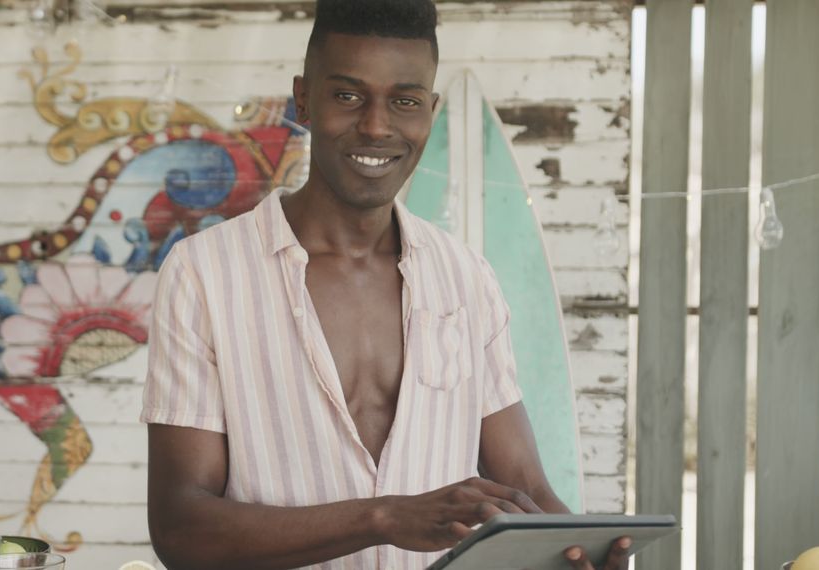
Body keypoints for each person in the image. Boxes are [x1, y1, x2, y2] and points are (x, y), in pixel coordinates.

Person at [141, 0, 631, 568]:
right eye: (348, 95)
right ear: (303, 99)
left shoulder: (467, 278)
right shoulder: (204, 273)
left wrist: (579, 550)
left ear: (430, 109)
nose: (377, 126)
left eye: (405, 101)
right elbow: (181, 530)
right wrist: (381, 517)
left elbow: (524, 487)